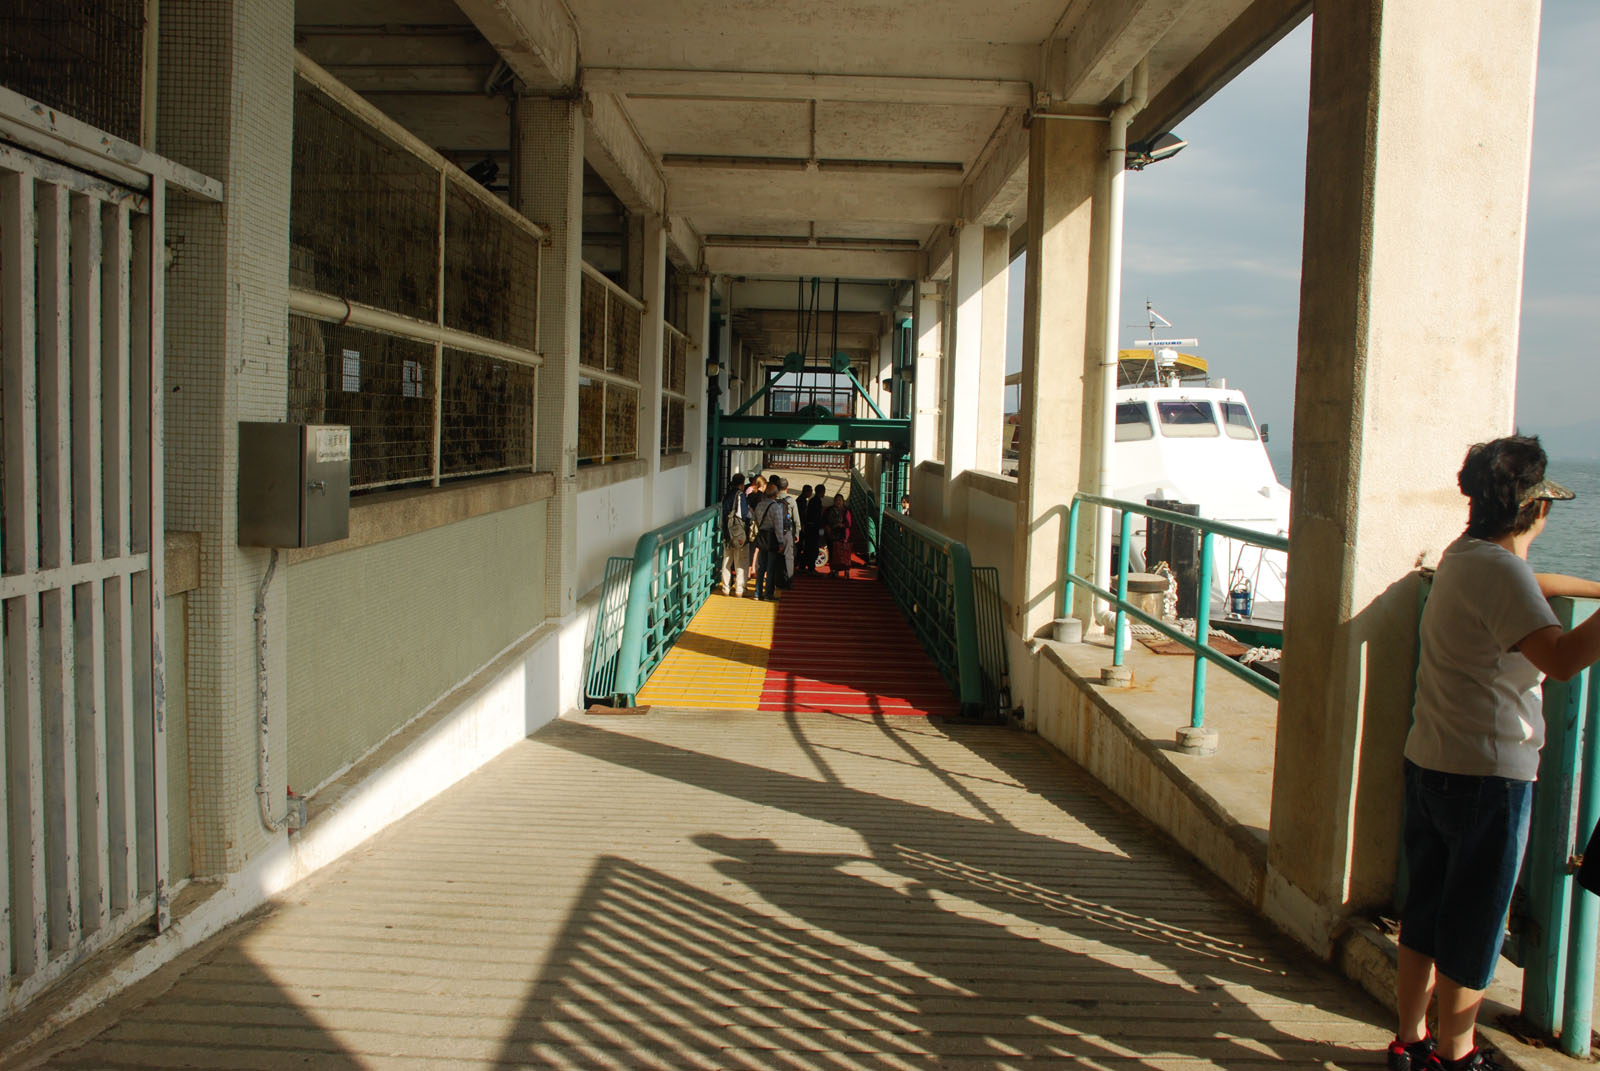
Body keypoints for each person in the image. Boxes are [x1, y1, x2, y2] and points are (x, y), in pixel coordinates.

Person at [1391, 435, 1600, 1071]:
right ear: (1536, 511)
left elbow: (1526, 583)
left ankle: (1410, 1040)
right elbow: (1561, 661)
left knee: (1424, 913)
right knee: (1475, 924)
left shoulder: (1463, 557)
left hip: (1430, 758)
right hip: (1488, 777)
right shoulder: (1502, 573)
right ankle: (1456, 1056)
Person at [751, 482, 787, 601]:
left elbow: (754, 519)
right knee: (771, 567)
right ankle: (768, 594)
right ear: (775, 494)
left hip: (762, 535)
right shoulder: (776, 507)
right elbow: (778, 526)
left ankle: (757, 592)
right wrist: (781, 542)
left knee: (761, 566)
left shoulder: (760, 505)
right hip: (772, 537)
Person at [718, 474, 751, 598]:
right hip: (739, 533)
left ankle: (725, 587)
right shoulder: (740, 495)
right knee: (740, 561)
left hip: (727, 532)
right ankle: (739, 588)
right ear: (742, 484)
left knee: (727, 560)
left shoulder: (726, 495)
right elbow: (743, 514)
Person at [823, 493, 853, 579]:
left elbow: (849, 523)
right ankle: (833, 571)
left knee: (843, 553)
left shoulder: (846, 511)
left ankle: (845, 571)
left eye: (840, 500)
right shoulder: (829, 510)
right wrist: (827, 527)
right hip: (831, 534)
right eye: (836, 500)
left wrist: (842, 525)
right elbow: (824, 520)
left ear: (843, 501)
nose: (838, 502)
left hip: (842, 535)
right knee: (832, 552)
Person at [794, 485, 815, 574]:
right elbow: (801, 515)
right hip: (801, 526)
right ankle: (797, 565)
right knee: (800, 547)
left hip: (801, 526)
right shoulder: (801, 501)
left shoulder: (800, 500)